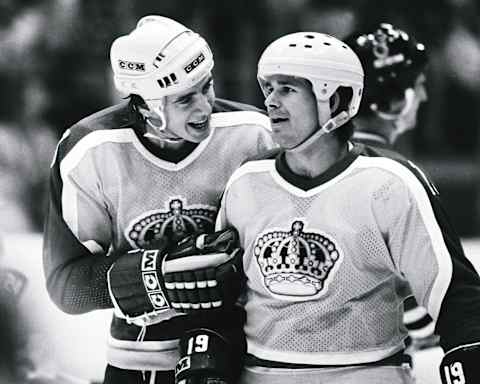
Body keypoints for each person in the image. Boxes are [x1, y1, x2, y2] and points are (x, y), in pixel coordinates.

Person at [208, 32, 480, 383]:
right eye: (269, 88)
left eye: (287, 89)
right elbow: (220, 300)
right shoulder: (245, 182)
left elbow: (454, 294)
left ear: (334, 99)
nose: (270, 102)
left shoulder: (389, 183)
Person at [42, 15, 273, 384]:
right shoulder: (88, 152)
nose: (204, 108)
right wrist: (155, 279)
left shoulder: (254, 135)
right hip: (138, 361)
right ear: (146, 104)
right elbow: (66, 286)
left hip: (241, 353)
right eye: (184, 99)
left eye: (207, 87)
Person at [346, 23, 438, 351]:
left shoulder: (311, 159)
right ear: (395, 97)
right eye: (420, 85)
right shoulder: (393, 175)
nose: (424, 96)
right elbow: (432, 316)